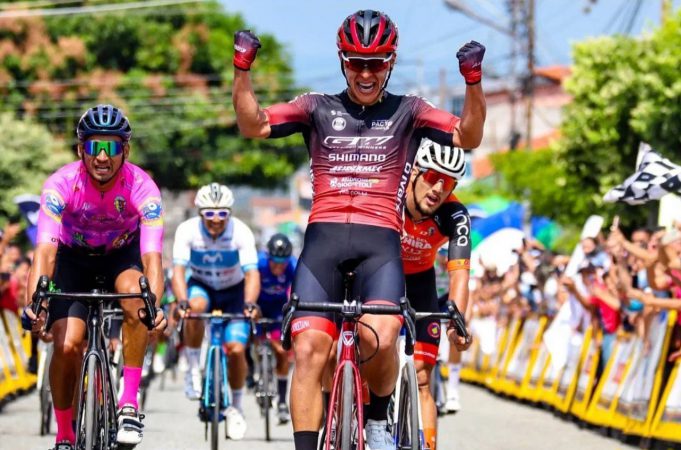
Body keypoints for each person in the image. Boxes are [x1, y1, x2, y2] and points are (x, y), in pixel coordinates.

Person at [232, 9, 486, 450]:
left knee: (383, 339)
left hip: (378, 244)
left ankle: (378, 421)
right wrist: (242, 70)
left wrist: (473, 81)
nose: (366, 73)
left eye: (376, 63)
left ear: (391, 62)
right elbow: (253, 124)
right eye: (356, 62)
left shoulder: (410, 110)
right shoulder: (315, 107)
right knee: (309, 351)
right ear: (342, 60)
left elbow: (469, 136)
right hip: (323, 242)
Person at [23, 104, 167, 450]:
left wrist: (155, 307)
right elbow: (44, 252)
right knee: (67, 344)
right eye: (94, 146)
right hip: (72, 259)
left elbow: (152, 258)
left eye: (111, 147)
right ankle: (64, 434)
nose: (102, 156)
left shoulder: (143, 188)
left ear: (125, 150)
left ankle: (129, 404)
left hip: (121, 257)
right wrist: (35, 305)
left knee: (138, 299)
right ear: (80, 150)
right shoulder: (59, 185)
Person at [171, 182, 260, 440]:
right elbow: (178, 271)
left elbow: (252, 273)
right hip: (202, 287)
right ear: (200, 213)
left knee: (236, 349)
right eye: (210, 213)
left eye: (222, 213)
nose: (217, 219)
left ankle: (237, 407)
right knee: (194, 309)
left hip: (234, 292)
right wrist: (181, 301)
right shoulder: (187, 230)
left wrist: (250, 303)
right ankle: (192, 370)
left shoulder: (240, 231)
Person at [400, 139, 472, 450]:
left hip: (420, 282)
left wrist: (457, 321)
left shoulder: (454, 214)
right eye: (433, 177)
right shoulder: (392, 193)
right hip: (380, 275)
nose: (439, 189)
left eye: (449, 182)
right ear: (415, 171)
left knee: (423, 378)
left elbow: (460, 273)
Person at [256, 233, 297, 423]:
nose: (279, 267)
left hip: (277, 310)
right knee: (248, 339)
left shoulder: (292, 266)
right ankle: (252, 371)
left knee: (281, 352)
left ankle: (281, 402)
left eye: (283, 263)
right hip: (258, 306)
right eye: (275, 262)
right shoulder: (259, 263)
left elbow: (296, 290)